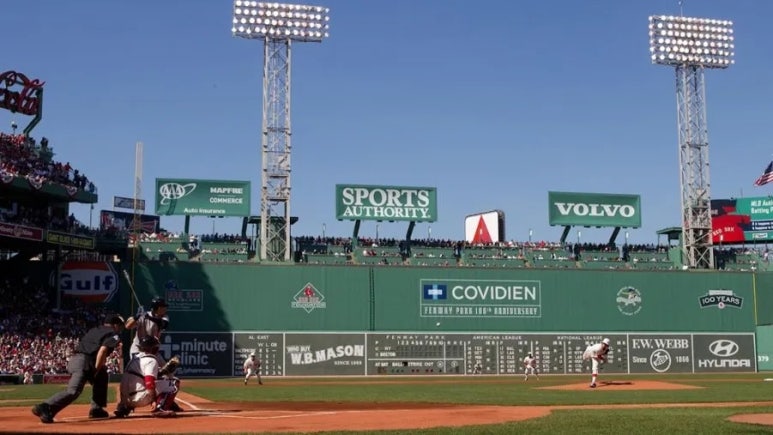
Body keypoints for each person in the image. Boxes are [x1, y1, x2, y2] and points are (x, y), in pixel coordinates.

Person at [31, 314, 125, 424]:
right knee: (73, 391)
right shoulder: (113, 333)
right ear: (115, 325)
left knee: (102, 375)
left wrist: (98, 370)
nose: (120, 329)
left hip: (76, 360)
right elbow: (103, 350)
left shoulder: (94, 330)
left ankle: (96, 409)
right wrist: (96, 369)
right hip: (84, 362)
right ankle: (45, 406)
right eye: (120, 326)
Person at [125, 296, 183, 412]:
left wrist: (148, 317)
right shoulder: (142, 316)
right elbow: (127, 326)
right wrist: (137, 316)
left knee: (170, 374)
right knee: (139, 376)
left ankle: (167, 400)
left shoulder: (164, 317)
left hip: (153, 351)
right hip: (138, 351)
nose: (165, 309)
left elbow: (163, 324)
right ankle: (126, 404)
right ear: (157, 307)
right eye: (163, 307)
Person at [114, 336, 180, 418]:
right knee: (174, 382)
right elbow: (149, 382)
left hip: (125, 400)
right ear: (153, 348)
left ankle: (124, 408)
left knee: (157, 380)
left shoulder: (135, 359)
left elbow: (141, 375)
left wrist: (162, 372)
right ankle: (160, 409)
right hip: (138, 399)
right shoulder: (151, 360)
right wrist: (153, 400)